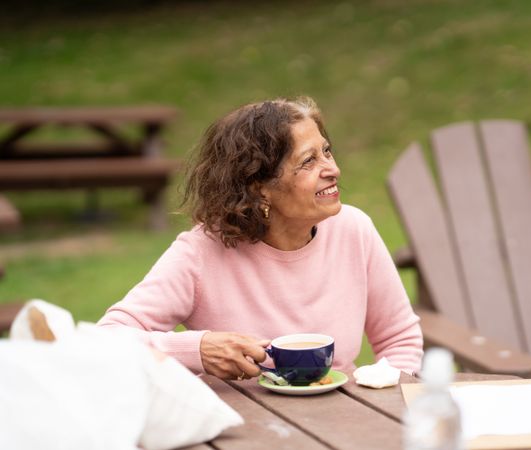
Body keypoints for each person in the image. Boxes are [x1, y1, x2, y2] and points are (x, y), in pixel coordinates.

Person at [98, 97, 423, 381]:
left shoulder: (353, 229)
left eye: (327, 151)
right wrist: (197, 349)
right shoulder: (201, 251)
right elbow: (106, 339)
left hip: (342, 421)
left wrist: (384, 402)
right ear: (259, 188)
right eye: (309, 161)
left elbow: (400, 340)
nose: (333, 169)